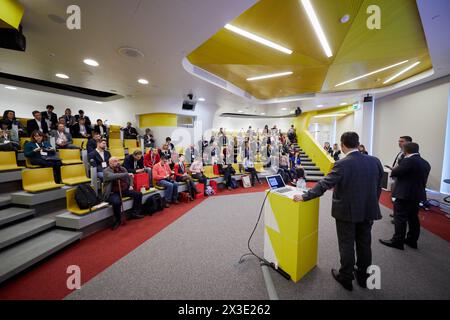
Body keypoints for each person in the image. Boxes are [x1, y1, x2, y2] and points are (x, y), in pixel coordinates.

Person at [294, 132, 383, 291]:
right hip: (368, 209)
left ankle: (346, 277)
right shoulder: (375, 161)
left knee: (346, 244)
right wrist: (372, 203)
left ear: (342, 145)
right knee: (364, 243)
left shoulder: (342, 163)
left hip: (347, 211)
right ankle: (363, 277)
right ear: (358, 143)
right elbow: (378, 186)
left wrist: (306, 196)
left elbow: (325, 184)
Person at [379, 142, 431, 250]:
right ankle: (412, 241)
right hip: (417, 194)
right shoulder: (425, 163)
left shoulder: (407, 161)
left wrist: (395, 167)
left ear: (405, 151)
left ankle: (398, 241)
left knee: (400, 218)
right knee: (413, 218)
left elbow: (395, 173)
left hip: (404, 194)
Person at [102, 157, 144, 230]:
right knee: (117, 202)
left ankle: (135, 213)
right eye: (115, 161)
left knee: (138, 194)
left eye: (118, 161)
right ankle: (117, 220)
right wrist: (127, 174)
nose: (117, 162)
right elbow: (113, 176)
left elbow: (130, 177)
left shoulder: (122, 169)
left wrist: (131, 185)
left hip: (124, 190)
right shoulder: (106, 171)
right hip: (112, 192)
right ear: (110, 163)